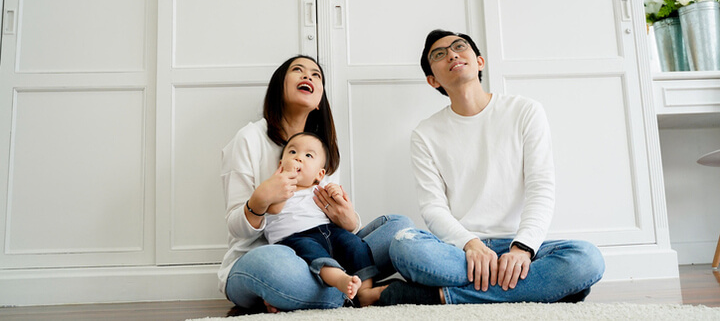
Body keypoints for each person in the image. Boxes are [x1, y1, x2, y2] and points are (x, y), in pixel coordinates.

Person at [377, 29, 605, 306]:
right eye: (439, 54)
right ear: (432, 79)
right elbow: (433, 208)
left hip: (518, 246)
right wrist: (471, 244)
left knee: (587, 259)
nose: (451, 53)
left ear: (479, 61)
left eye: (459, 46)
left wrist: (522, 249)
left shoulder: (525, 111)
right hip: (460, 251)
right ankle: (538, 289)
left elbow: (540, 187)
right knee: (404, 245)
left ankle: (435, 296)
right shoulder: (425, 133)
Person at [220, 55, 413, 312]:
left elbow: (331, 224)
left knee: (399, 228)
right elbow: (237, 229)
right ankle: (344, 292)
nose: (308, 76)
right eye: (298, 70)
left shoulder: (322, 150)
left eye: (316, 75)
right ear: (279, 86)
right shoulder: (249, 139)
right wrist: (261, 199)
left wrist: (350, 221)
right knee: (274, 265)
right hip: (268, 257)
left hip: (327, 249)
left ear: (319, 100)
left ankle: (332, 291)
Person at [264, 132, 382, 306]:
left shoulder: (320, 188)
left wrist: (336, 193)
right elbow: (273, 209)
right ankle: (341, 280)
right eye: (292, 152)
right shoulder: (277, 189)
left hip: (329, 231)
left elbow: (341, 209)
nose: (298, 158)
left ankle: (365, 291)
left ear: (319, 174)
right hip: (296, 238)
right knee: (315, 253)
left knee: (355, 245)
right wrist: (282, 181)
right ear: (280, 164)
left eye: (308, 155)